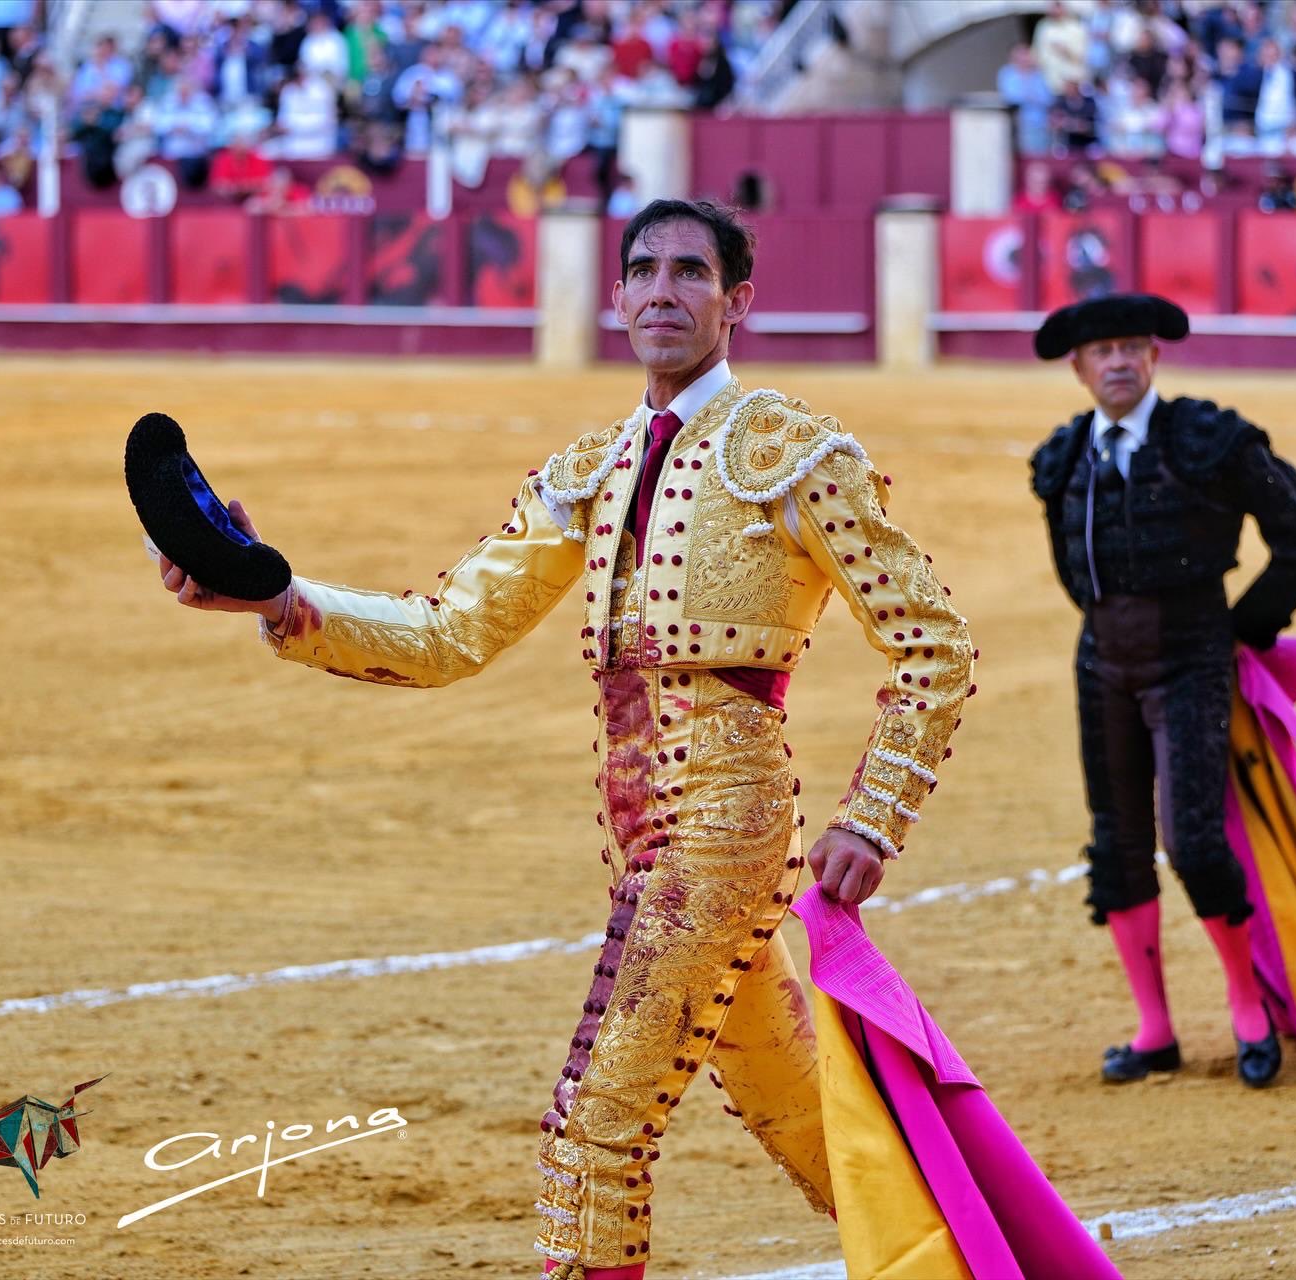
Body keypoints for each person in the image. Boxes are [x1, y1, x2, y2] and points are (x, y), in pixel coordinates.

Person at [153, 198, 973, 1278]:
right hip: (649, 838)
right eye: (644, 271)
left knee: (593, 1126)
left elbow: (932, 640)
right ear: (618, 296)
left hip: (721, 833)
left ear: (737, 301)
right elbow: (448, 632)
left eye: (691, 272)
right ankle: (974, 1261)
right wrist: (272, 595)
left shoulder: (791, 451)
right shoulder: (593, 467)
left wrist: (874, 815)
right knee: (810, 1113)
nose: (663, 291)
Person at [1028, 294, 1296, 1090]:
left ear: (1154, 358)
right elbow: (1072, 567)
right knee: (1118, 845)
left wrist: (1249, 626)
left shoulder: (1208, 441)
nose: (1119, 361)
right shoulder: (1064, 457)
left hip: (1194, 657)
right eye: (1103, 351)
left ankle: (1247, 1010)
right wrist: (1111, 624)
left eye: (1133, 346)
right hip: (1102, 664)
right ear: (1080, 367)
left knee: (1194, 840)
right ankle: (1155, 1030)